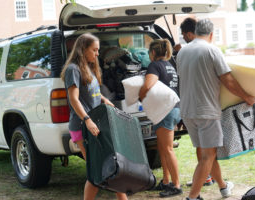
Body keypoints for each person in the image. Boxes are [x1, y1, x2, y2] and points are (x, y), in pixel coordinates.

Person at [176, 19, 255, 200]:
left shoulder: (182, 52)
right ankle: (193, 197)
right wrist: (247, 97)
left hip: (188, 111)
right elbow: (227, 80)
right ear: (211, 34)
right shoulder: (212, 50)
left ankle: (223, 187)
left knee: (208, 154)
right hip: (206, 111)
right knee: (207, 156)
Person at [60, 33, 128, 200]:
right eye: (94, 50)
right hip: (83, 127)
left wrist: (104, 100)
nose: (98, 53)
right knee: (97, 170)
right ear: (83, 50)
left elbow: (92, 93)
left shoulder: (88, 67)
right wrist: (87, 120)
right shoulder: (73, 70)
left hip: (95, 125)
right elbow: (74, 99)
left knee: (111, 165)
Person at [139, 39, 182, 198]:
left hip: (166, 110)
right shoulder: (170, 65)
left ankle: (176, 185)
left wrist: (140, 95)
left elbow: (149, 84)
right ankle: (166, 181)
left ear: (153, 53)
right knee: (163, 148)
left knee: (168, 149)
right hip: (174, 109)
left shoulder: (155, 65)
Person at [175, 17, 215, 187]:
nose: (183, 37)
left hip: (199, 107)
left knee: (204, 147)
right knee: (207, 149)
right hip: (202, 106)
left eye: (184, 35)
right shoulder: (199, 50)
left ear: (190, 34)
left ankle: (205, 179)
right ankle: (214, 180)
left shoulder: (191, 51)